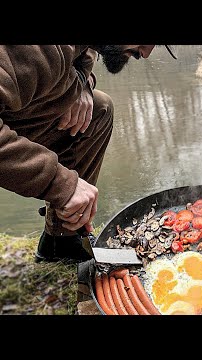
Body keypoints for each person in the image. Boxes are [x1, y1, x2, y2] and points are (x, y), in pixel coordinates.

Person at [0, 45, 177, 262]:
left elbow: (87, 54)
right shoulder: (40, 50)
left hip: (18, 108)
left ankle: (61, 240)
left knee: (99, 109)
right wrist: (61, 183)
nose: (146, 53)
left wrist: (82, 84)